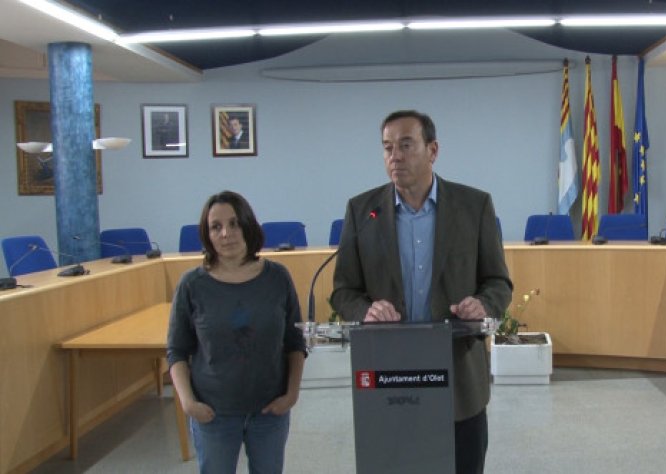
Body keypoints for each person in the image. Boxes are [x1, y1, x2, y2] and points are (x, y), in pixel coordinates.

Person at [331, 110, 512, 473]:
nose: (394, 156)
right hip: (389, 378)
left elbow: (498, 282)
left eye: (405, 145)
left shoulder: (473, 206)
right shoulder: (362, 211)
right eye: (387, 148)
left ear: (433, 150)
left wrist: (483, 304)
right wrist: (366, 311)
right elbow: (343, 290)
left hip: (458, 378)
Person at [167, 190, 306, 473]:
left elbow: (294, 342)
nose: (226, 234)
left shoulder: (277, 277)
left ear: (248, 225)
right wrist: (188, 403)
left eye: (234, 223)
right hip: (213, 413)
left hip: (270, 410)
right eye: (215, 227)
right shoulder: (192, 285)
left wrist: (291, 394)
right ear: (207, 234)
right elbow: (177, 351)